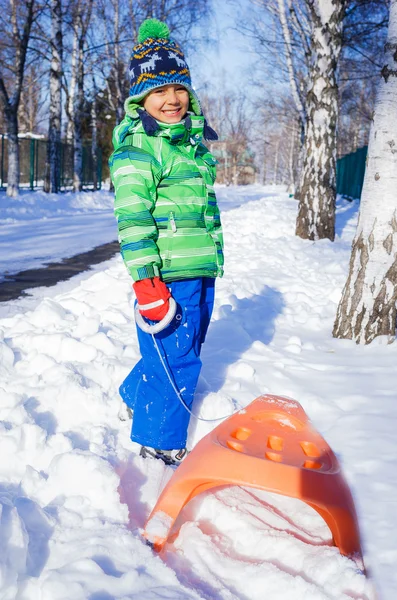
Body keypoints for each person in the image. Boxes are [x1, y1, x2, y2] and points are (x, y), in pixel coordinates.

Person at [109, 18, 224, 466]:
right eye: (158, 92)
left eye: (177, 89)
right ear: (141, 99)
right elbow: (133, 220)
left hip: (198, 268)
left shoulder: (187, 145)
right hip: (165, 276)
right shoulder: (140, 149)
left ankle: (135, 393)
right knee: (178, 362)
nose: (171, 100)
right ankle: (160, 445)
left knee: (182, 349)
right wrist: (146, 281)